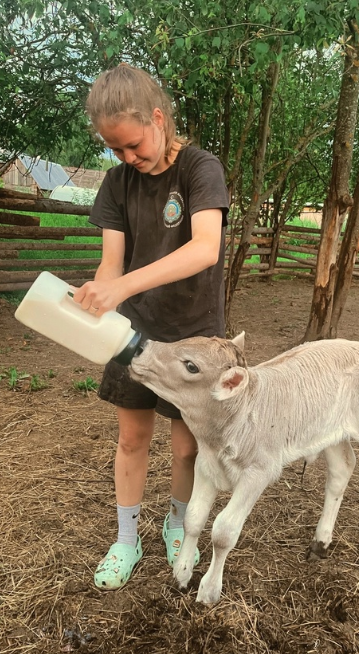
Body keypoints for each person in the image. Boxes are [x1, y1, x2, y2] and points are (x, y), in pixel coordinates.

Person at [72, 64, 229, 590]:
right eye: (115, 150)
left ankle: (178, 524)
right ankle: (126, 538)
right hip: (134, 335)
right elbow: (111, 264)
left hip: (193, 336)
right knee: (132, 439)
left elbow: (205, 247)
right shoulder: (118, 184)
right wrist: (101, 295)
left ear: (158, 119)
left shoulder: (201, 170)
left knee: (186, 448)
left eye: (133, 145)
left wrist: (122, 286)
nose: (127, 159)